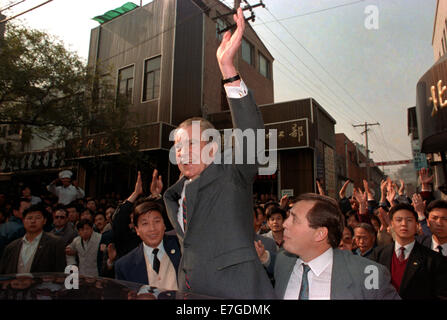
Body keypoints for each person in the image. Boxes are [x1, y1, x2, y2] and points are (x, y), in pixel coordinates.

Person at [162, 8, 275, 299]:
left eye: (190, 145)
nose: (182, 154)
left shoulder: (231, 174)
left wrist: (227, 69)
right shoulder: (174, 194)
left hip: (238, 296)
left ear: (213, 148)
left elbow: (252, 137)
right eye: (177, 147)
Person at [272, 193, 399, 299]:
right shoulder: (283, 262)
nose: (284, 224)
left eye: (294, 219)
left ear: (320, 234)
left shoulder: (368, 275)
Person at [369, 203, 447, 299]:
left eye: (409, 220)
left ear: (417, 224)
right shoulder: (378, 254)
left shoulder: (433, 259)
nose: (404, 224)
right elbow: (370, 290)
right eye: (399, 220)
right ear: (392, 224)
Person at [115, 200, 180, 290]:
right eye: (145, 223)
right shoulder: (125, 266)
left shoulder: (182, 248)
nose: (152, 228)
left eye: (157, 221)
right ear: (137, 230)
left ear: (164, 225)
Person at [0, 204, 66, 274]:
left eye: (37, 218)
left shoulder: (56, 243)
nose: (33, 221)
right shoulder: (12, 247)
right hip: (17, 284)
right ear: (23, 221)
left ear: (44, 221)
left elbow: (60, 272)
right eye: (29, 218)